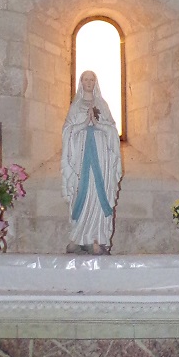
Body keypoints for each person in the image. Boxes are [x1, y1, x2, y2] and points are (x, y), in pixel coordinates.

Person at [61, 70, 122, 254]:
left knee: (97, 191)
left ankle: (97, 237)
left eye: (91, 79)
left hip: (101, 156)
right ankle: (78, 237)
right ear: (81, 82)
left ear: (95, 82)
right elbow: (67, 131)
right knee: (82, 191)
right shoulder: (75, 106)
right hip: (80, 157)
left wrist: (97, 124)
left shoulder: (102, 105)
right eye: (85, 79)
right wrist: (83, 124)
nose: (88, 82)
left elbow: (112, 131)